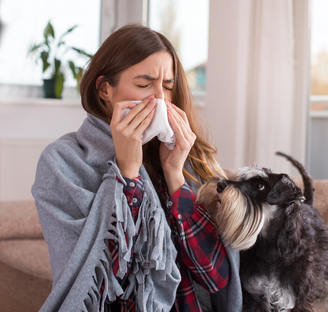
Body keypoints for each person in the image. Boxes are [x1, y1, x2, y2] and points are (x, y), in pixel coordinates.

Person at [32, 24, 242, 312]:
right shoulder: (62, 162)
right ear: (105, 89)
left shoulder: (185, 157)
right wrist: (127, 174)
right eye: (144, 85)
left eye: (167, 87)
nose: (159, 99)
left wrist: (175, 175)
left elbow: (216, 278)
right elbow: (105, 288)